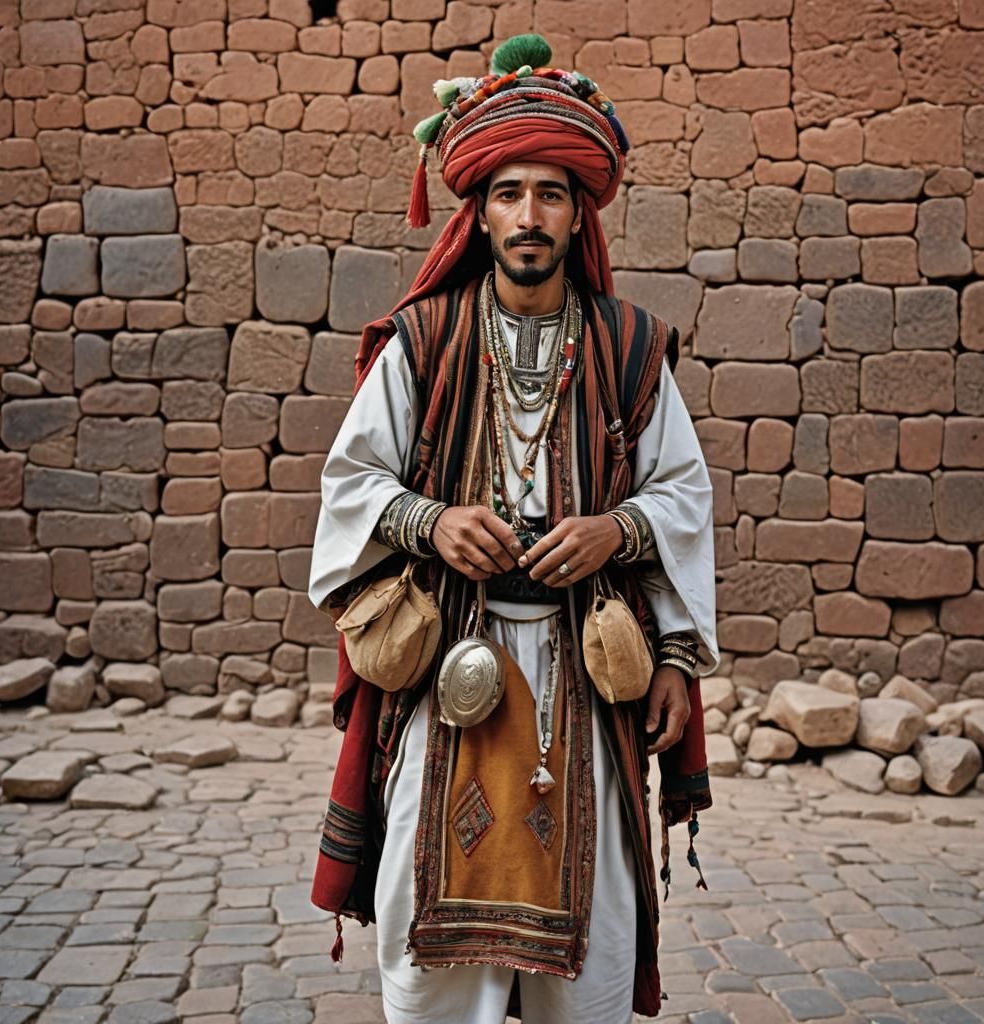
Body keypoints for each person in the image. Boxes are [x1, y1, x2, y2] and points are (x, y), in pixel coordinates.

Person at [307, 33, 719, 1024]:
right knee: (431, 962)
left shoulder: (627, 349)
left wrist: (616, 537)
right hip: (452, 663)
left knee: (593, 947)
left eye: (549, 193)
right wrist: (431, 520)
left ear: (579, 212)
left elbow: (680, 495)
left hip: (589, 679)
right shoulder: (426, 342)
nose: (528, 215)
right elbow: (349, 480)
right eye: (507, 193)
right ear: (477, 210)